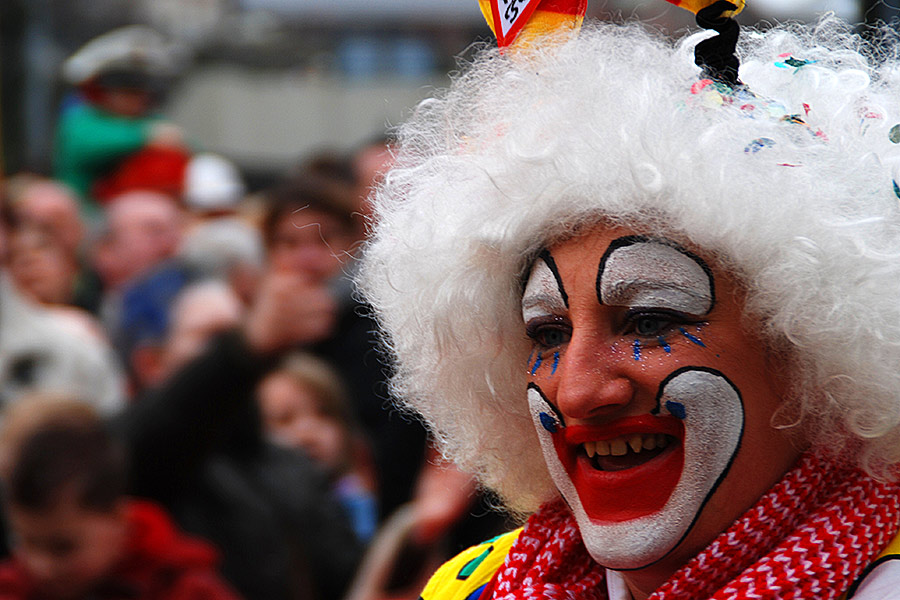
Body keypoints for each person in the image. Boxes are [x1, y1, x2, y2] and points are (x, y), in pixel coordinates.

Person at [358, 7, 900, 600]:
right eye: (546, 334)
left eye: (649, 321)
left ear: (812, 354)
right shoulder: (476, 589)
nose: (579, 391)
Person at [0, 398, 240, 600]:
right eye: (25, 542)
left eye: (63, 548)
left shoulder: (186, 589)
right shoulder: (13, 588)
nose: (41, 567)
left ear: (118, 519)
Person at [257, 352, 379, 544]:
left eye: (324, 414)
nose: (308, 433)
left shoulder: (358, 501)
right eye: (284, 419)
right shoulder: (259, 514)